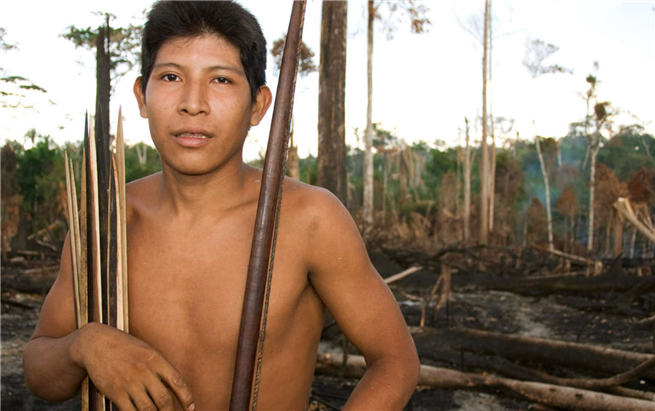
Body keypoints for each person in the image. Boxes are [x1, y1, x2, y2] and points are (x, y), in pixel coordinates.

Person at [22, 1, 420, 410]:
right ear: (143, 96)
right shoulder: (109, 223)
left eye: (221, 81)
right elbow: (39, 372)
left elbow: (395, 360)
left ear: (259, 105)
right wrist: (86, 344)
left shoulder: (307, 220)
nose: (193, 103)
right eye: (172, 76)